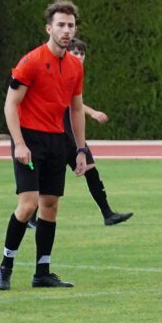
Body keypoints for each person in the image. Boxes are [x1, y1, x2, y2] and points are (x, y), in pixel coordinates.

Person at [0, 0, 87, 291]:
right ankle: (6, 264)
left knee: (50, 205)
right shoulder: (30, 61)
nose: (66, 30)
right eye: (60, 25)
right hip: (29, 139)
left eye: (70, 25)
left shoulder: (74, 66)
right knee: (28, 204)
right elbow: (11, 105)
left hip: (56, 140)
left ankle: (42, 272)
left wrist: (81, 150)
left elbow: (76, 109)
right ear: (49, 28)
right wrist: (19, 144)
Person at [25, 39, 131, 228]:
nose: (80, 56)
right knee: (46, 177)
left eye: (82, 53)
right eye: (75, 52)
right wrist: (93, 112)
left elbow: (75, 105)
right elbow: (70, 105)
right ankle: (30, 218)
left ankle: (108, 214)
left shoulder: (74, 73)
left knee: (91, 172)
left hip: (72, 136)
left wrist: (90, 113)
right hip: (57, 134)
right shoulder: (59, 71)